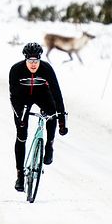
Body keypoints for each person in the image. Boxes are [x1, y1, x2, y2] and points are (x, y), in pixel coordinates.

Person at [9, 42, 68, 192]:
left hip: (43, 95)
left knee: (52, 113)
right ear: (25, 59)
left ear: (40, 59)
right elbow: (13, 97)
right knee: (21, 135)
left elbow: (57, 94)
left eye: (36, 61)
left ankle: (49, 145)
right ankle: (20, 175)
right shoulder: (16, 70)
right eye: (30, 61)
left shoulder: (47, 69)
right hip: (22, 99)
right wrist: (20, 116)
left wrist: (61, 118)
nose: (34, 64)